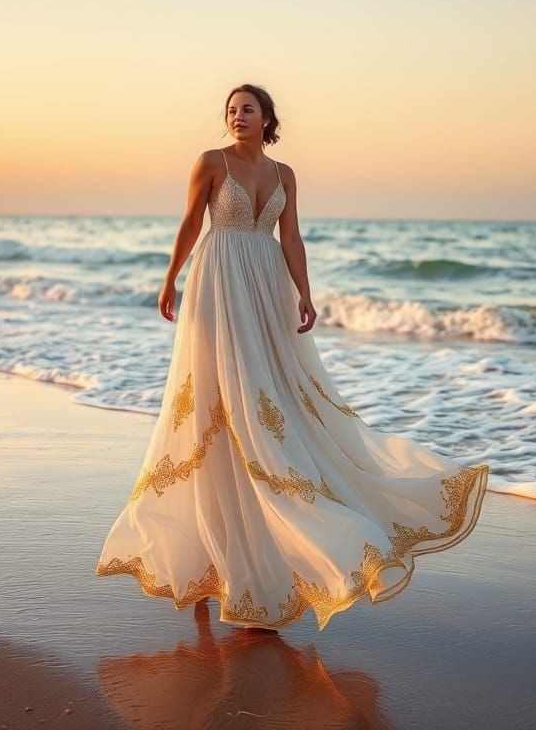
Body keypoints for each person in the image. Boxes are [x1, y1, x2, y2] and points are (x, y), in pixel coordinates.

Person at [95, 84, 488, 632]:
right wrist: (170, 278)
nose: (236, 117)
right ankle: (210, 549)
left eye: (247, 110)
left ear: (267, 118)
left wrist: (304, 292)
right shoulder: (210, 162)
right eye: (230, 111)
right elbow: (191, 224)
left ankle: (287, 541)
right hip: (218, 283)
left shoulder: (286, 175)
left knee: (277, 399)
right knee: (217, 401)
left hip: (267, 287)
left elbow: (292, 237)